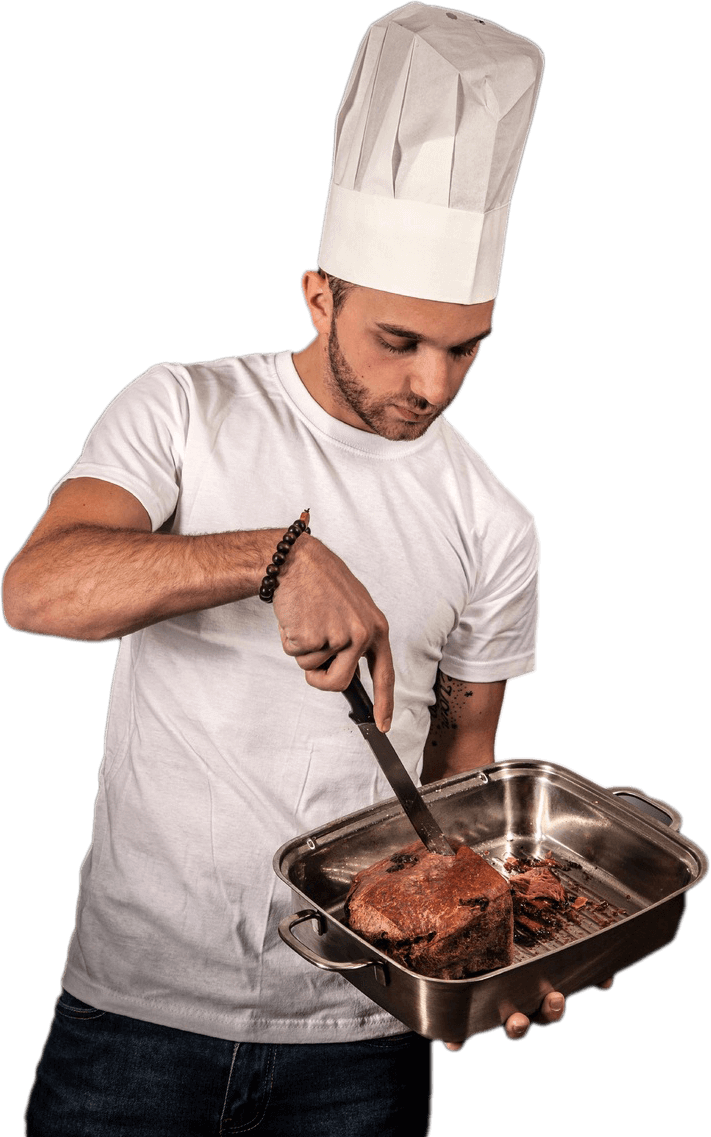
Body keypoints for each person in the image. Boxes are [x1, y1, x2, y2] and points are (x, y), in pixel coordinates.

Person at [8, 6, 610, 1135]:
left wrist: (495, 957)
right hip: (135, 1017)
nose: (433, 386)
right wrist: (273, 556)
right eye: (400, 341)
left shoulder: (495, 521)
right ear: (320, 297)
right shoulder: (185, 410)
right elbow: (37, 590)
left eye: (467, 348)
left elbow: (459, 778)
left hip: (360, 1036)